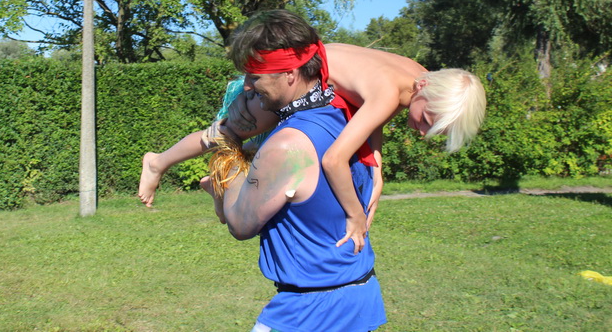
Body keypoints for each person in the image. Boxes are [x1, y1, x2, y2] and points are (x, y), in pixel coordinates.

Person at [139, 40, 486, 244]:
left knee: (256, 145)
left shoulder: (415, 73)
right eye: (427, 121)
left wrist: (377, 172)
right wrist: (355, 216)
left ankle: (219, 187)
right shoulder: (391, 92)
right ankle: (158, 162)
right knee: (229, 132)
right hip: (293, 77)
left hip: (309, 78)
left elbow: (373, 119)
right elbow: (334, 160)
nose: (423, 132)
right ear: (424, 88)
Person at [203, 9, 387, 331]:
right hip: (358, 297)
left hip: (311, 312)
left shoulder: (287, 145)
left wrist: (228, 150)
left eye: (255, 76)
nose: (247, 87)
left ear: (289, 73)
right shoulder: (347, 115)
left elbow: (240, 223)